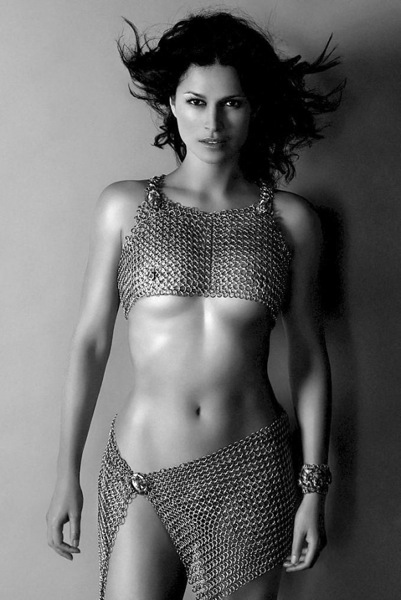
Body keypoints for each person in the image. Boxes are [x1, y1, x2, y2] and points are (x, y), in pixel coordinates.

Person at [46, 10, 342, 600]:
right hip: (141, 472)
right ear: (172, 105)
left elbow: (310, 355)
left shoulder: (292, 220)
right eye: (197, 102)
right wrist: (65, 474)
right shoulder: (125, 207)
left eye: (231, 103)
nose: (213, 123)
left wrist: (314, 487)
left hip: (250, 473)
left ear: (253, 109)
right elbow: (91, 343)